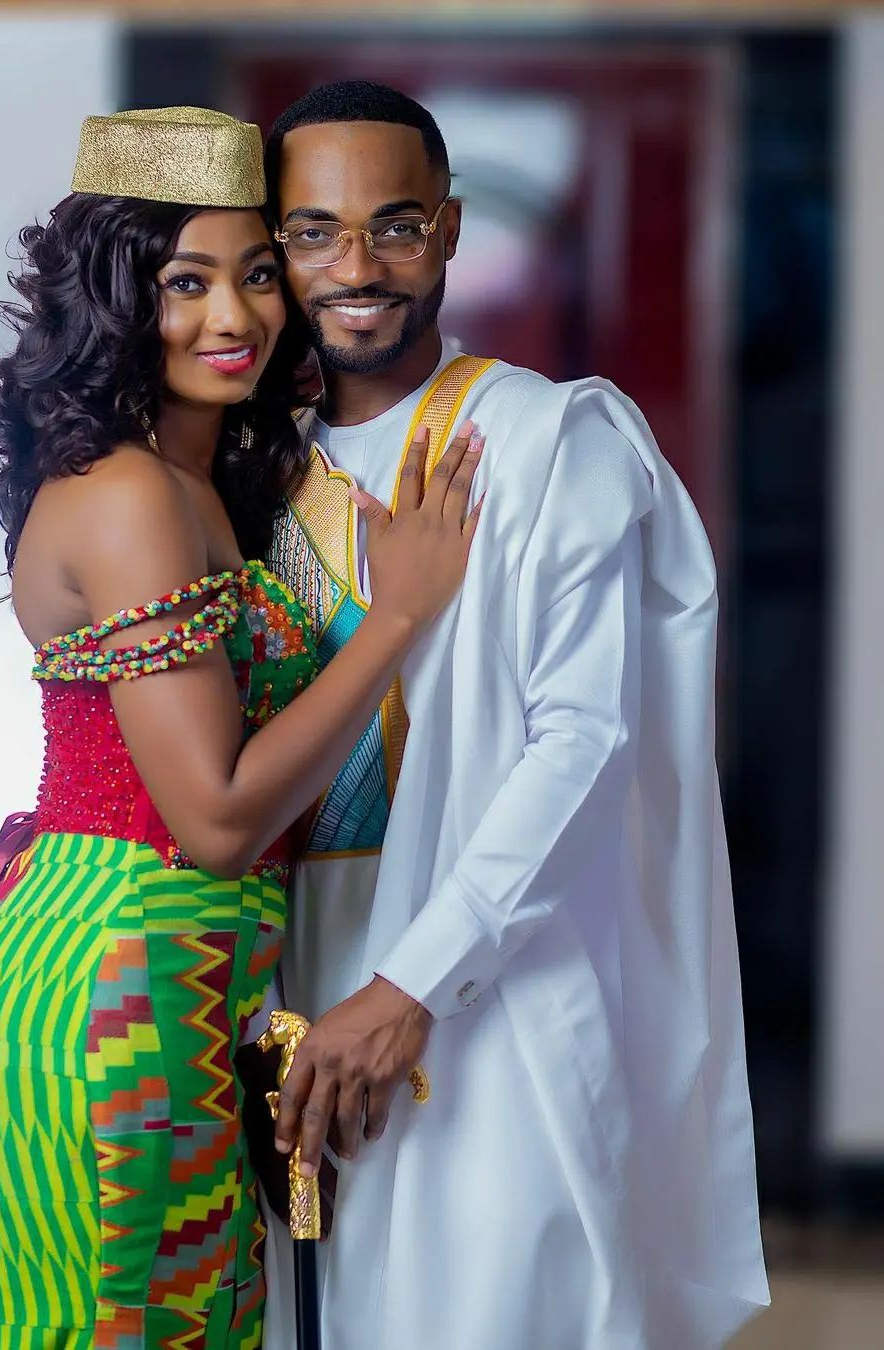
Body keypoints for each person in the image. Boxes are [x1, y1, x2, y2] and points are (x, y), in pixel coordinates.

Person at [0, 106, 483, 1350]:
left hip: (142, 975)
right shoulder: (132, 497)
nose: (234, 317)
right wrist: (397, 618)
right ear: (116, 297)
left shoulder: (187, 480)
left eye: (258, 274)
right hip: (117, 986)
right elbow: (219, 821)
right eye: (185, 282)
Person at [258, 81, 770, 1349]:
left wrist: (409, 987)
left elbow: (583, 742)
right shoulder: (253, 466)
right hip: (287, 1000)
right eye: (315, 232)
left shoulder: (547, 440)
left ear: (448, 229)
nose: (356, 268)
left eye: (395, 225)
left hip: (488, 1004)